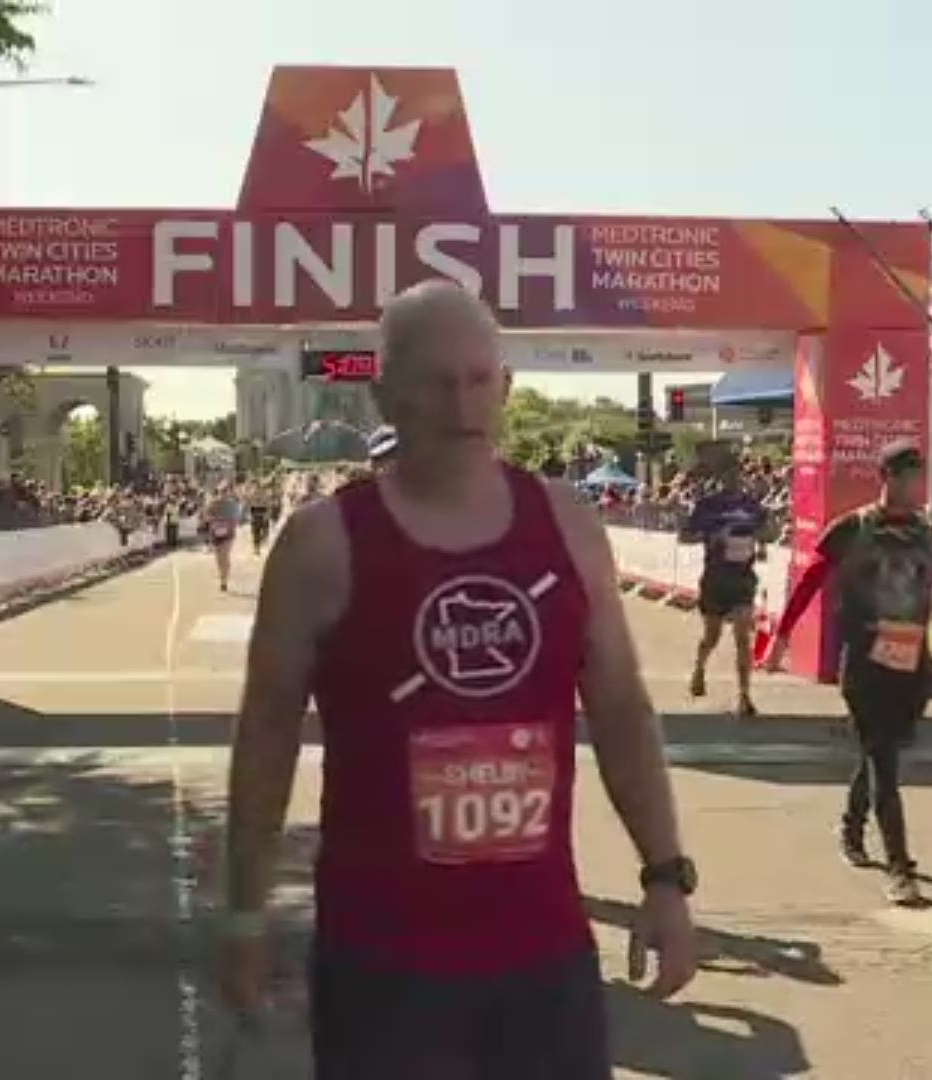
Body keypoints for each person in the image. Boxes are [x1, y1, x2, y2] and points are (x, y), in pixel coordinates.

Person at [221, 280, 697, 1078]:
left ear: (505, 387)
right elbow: (264, 737)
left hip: (542, 957)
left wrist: (665, 877)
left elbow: (620, 709)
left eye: (480, 379)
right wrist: (243, 915)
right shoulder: (322, 546)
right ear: (386, 397)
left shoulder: (567, 527)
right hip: (384, 966)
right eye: (436, 382)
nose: (462, 403)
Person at [762, 443, 932, 906]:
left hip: (913, 664)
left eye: (920, 478)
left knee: (881, 752)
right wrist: (782, 639)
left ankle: (850, 826)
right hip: (864, 662)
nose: (915, 487)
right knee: (883, 757)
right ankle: (900, 868)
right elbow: (809, 584)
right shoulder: (851, 530)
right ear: (885, 478)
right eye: (906, 477)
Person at [679, 454, 773, 720]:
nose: (733, 478)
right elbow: (684, 536)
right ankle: (699, 668)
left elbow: (770, 531)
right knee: (713, 635)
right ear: (720, 477)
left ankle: (744, 697)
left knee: (743, 637)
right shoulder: (708, 506)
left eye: (737, 473)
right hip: (715, 578)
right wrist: (711, 536)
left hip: (743, 577)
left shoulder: (751, 505)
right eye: (728, 473)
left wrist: (762, 535)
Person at [203, 482, 242, 591]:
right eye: (221, 491)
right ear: (218, 492)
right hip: (215, 533)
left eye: (225, 491)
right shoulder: (212, 503)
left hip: (228, 534)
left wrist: (230, 524)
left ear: (228, 492)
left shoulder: (232, 504)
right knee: (218, 558)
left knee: (225, 556)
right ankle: (222, 575)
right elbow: (206, 516)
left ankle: (224, 581)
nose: (223, 493)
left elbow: (236, 519)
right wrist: (213, 521)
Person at [246, 480, 276, 557]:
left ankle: (262, 541)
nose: (255, 488)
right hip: (255, 514)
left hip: (263, 513)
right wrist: (249, 514)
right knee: (255, 532)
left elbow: (269, 505)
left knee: (264, 532)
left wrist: (267, 514)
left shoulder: (265, 495)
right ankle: (257, 548)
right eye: (254, 486)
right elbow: (248, 505)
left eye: (256, 486)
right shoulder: (251, 495)